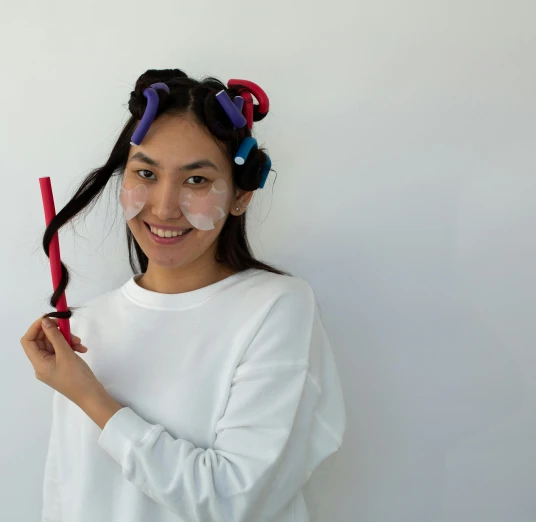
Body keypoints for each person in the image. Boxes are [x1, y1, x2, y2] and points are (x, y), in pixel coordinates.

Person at [20, 69, 346, 522]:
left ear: (241, 195)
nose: (164, 206)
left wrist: (91, 397)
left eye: (195, 180)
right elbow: (69, 494)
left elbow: (234, 501)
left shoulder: (277, 308)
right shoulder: (85, 325)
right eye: (146, 173)